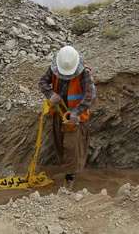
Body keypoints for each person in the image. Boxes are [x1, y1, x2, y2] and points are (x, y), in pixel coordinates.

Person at [38, 45, 96, 189]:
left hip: (75, 117)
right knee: (59, 144)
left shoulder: (84, 74)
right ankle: (65, 170)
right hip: (58, 113)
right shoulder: (54, 68)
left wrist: (76, 113)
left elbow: (90, 96)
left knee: (71, 147)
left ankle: (70, 177)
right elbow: (43, 82)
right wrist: (51, 95)